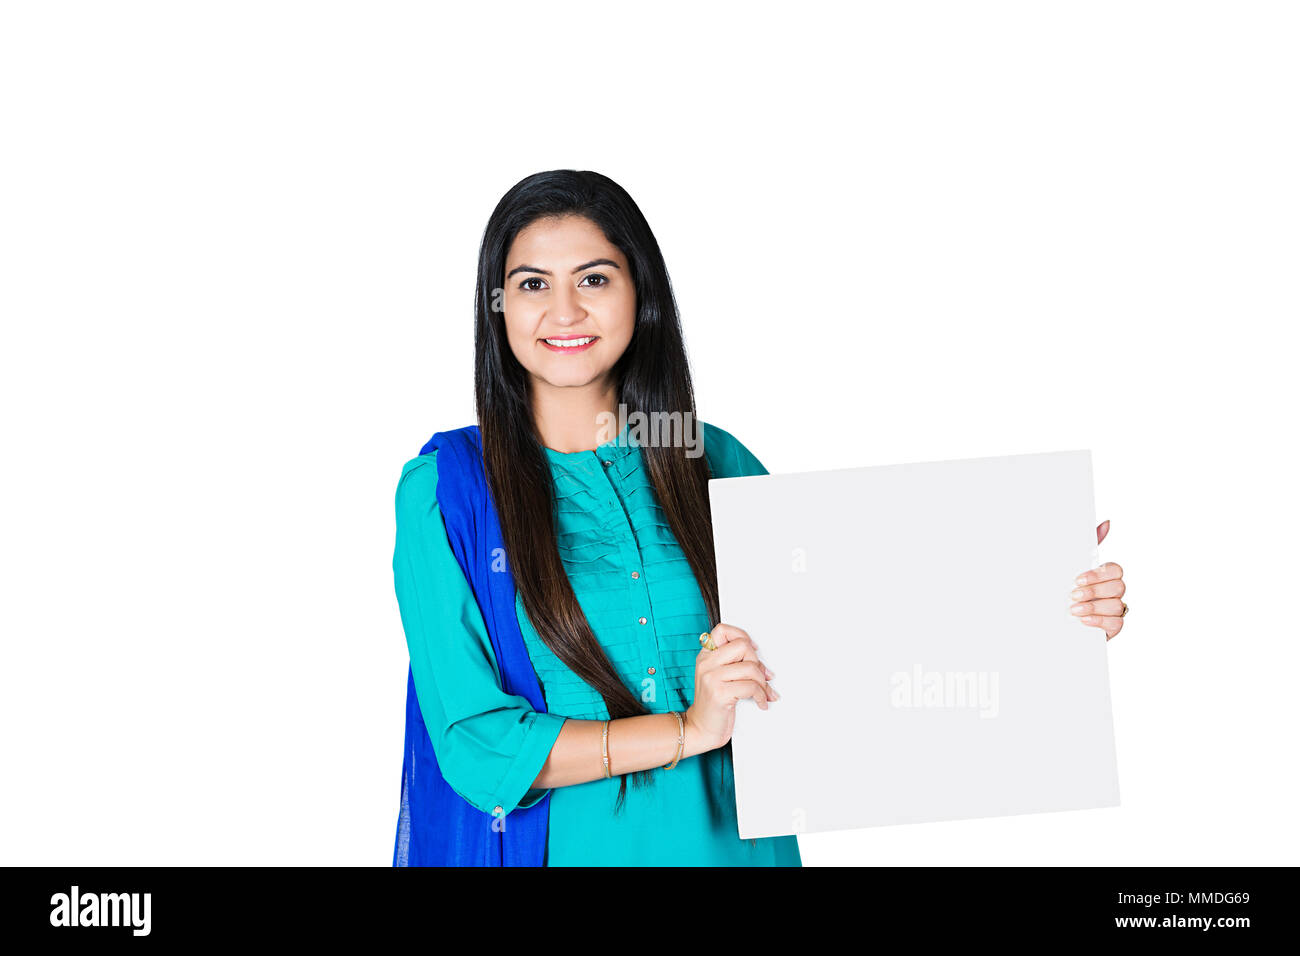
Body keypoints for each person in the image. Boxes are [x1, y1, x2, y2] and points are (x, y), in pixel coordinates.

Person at [392, 169, 1128, 866]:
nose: (564, 312)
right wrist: (689, 729)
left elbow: (849, 630)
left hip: (741, 848)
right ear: (500, 307)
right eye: (532, 285)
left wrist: (1039, 594)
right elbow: (478, 744)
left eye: (594, 278)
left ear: (638, 293)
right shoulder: (449, 492)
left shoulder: (708, 459)